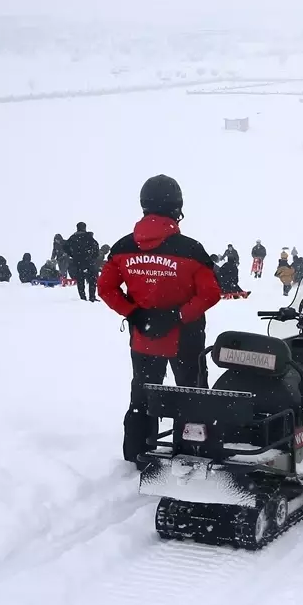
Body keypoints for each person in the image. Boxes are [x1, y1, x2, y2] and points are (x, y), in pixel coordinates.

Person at [97, 174, 223, 468]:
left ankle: (138, 450)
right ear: (177, 207)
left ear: (144, 206)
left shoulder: (123, 247)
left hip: (143, 336)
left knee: (142, 391)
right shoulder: (190, 249)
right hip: (186, 336)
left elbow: (106, 288)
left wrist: (134, 312)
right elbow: (211, 293)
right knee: (191, 393)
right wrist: (178, 315)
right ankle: (192, 450)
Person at [66, 222, 100, 301]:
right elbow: (96, 246)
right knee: (92, 279)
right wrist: (93, 256)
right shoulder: (88, 237)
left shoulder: (73, 238)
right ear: (85, 228)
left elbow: (65, 246)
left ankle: (82, 298)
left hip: (78, 261)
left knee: (80, 280)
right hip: (89, 261)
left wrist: (72, 254)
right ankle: (92, 297)